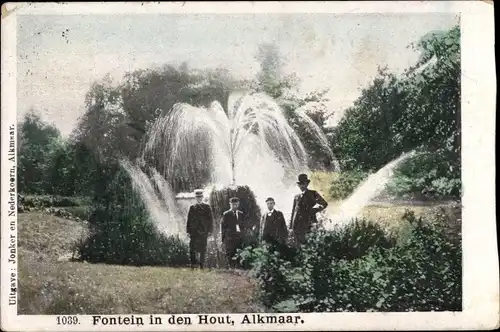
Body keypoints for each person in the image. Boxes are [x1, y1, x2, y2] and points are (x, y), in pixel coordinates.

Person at [290, 173, 328, 245]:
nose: (301, 186)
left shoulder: (313, 193)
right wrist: (291, 227)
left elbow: (324, 204)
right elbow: (293, 212)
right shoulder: (296, 196)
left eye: (303, 184)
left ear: (307, 184)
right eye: (300, 184)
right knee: (298, 246)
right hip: (297, 225)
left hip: (308, 223)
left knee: (308, 244)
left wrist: (314, 210)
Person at [186, 189, 213, 269]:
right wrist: (188, 231)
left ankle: (201, 265)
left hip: (203, 231)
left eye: (200, 197)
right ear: (195, 198)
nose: (199, 198)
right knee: (192, 248)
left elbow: (210, 220)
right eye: (197, 197)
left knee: (203, 249)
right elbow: (189, 220)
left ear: (202, 197)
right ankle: (193, 264)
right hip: (194, 232)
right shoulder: (192, 208)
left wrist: (210, 231)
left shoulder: (207, 207)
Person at [220, 197, 245, 269]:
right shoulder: (226, 214)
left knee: (239, 254)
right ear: (230, 204)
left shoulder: (241, 214)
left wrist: (242, 235)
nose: (235, 206)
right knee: (230, 255)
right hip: (230, 238)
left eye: (236, 204)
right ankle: (231, 270)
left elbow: (243, 226)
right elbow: (223, 228)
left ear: (238, 204)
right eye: (233, 205)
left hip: (239, 238)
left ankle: (238, 271)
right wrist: (222, 240)